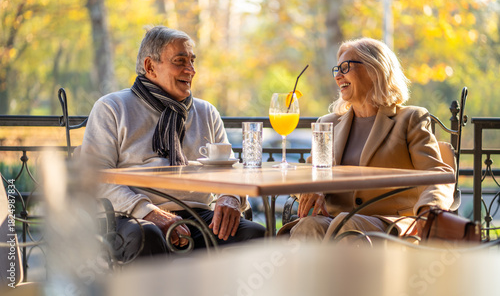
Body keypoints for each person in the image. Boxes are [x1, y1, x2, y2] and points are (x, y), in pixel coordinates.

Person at [80, 26, 265, 260]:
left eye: (192, 61)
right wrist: (149, 213)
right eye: (180, 61)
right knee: (148, 236)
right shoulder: (113, 107)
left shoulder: (207, 112)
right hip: (131, 216)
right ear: (150, 67)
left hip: (199, 216)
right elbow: (95, 177)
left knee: (255, 234)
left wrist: (231, 196)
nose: (191, 70)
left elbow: (231, 171)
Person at [284, 37, 454, 242]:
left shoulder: (410, 119)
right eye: (336, 69)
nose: (338, 76)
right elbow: (310, 173)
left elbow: (437, 173)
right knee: (309, 225)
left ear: (375, 70)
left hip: (389, 221)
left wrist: (428, 210)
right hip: (333, 218)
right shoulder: (328, 123)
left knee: (347, 225)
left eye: (345, 67)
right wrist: (312, 188)